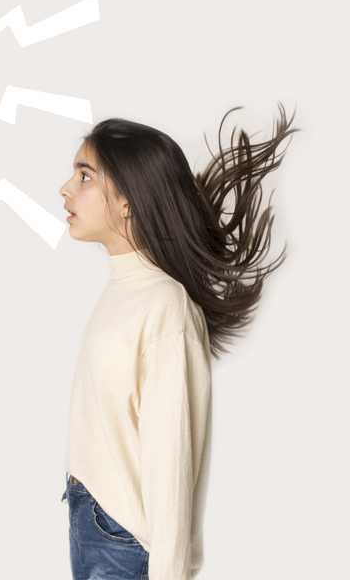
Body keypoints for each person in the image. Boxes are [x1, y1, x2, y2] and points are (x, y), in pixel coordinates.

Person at [58, 109, 294, 580]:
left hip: (126, 551)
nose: (65, 188)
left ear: (127, 200)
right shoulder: (125, 292)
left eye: (85, 175)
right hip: (97, 534)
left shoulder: (165, 305)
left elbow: (170, 468)